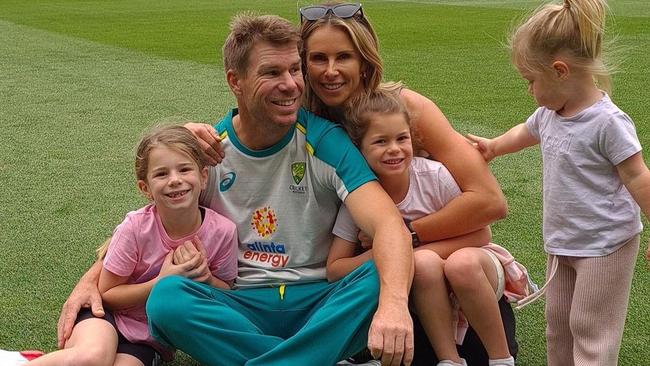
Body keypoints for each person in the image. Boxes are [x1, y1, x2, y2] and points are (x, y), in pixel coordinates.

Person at [57, 14, 415, 366]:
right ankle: (310, 356)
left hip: (318, 301)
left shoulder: (325, 140)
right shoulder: (210, 151)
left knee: (380, 275)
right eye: (272, 73)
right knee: (167, 298)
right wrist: (92, 275)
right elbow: (149, 221)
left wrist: (395, 305)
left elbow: (388, 226)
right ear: (235, 80)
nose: (291, 84)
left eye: (294, 69)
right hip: (240, 305)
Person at [187, 3, 516, 365]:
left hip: (438, 264)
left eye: (344, 56)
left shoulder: (401, 109)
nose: (330, 71)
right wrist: (186, 138)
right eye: (316, 59)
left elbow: (489, 202)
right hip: (348, 267)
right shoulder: (296, 112)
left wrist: (411, 236)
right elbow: (237, 132)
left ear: (365, 61)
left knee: (404, 276)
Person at [466, 0, 650, 364]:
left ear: (560, 71)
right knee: (558, 324)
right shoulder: (550, 113)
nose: (529, 90)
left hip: (605, 243)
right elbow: (526, 131)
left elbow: (638, 175)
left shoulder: (608, 123)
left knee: (590, 327)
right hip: (563, 240)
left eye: (531, 81)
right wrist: (494, 147)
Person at [327, 90, 533, 366]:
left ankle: (501, 359)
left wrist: (403, 245)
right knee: (424, 264)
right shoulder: (359, 195)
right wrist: (386, 252)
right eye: (380, 141)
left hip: (473, 269)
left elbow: (482, 233)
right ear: (359, 149)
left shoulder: (432, 176)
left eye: (402, 138)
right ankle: (448, 360)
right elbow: (334, 269)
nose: (394, 149)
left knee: (454, 263)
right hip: (425, 286)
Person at [5, 125, 239, 366]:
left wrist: (206, 279)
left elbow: (227, 293)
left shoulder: (222, 232)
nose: (175, 180)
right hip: (106, 317)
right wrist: (161, 281)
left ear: (203, 177)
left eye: (184, 169)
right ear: (145, 188)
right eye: (161, 174)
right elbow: (107, 294)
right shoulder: (136, 227)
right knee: (93, 357)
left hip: (149, 338)